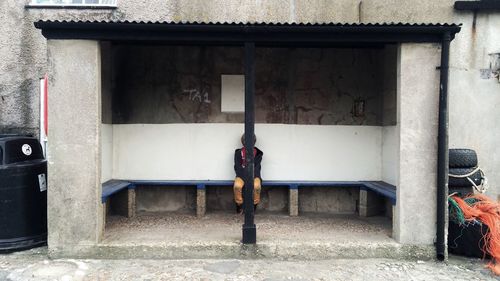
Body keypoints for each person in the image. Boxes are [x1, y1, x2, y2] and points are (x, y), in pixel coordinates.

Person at [233, 134, 263, 214]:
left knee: (257, 187)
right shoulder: (238, 153)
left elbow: (257, 167)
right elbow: (237, 166)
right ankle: (240, 205)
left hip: (254, 175)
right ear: (243, 142)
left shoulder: (258, 153)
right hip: (241, 175)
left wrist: (252, 175)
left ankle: (254, 206)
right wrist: (244, 176)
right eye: (245, 141)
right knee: (237, 186)